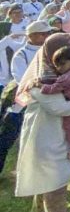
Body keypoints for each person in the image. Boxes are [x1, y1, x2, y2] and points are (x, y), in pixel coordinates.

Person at [14, 33, 70, 212]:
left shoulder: (68, 72)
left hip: (59, 135)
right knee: (54, 186)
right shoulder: (38, 80)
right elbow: (58, 107)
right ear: (52, 53)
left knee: (47, 184)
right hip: (46, 138)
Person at [0, 20, 54, 175]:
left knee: (35, 137)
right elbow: (22, 80)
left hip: (41, 101)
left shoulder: (49, 52)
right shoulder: (21, 54)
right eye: (44, 34)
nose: (47, 36)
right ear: (33, 35)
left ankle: (29, 169)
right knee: (8, 136)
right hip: (22, 102)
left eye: (48, 33)